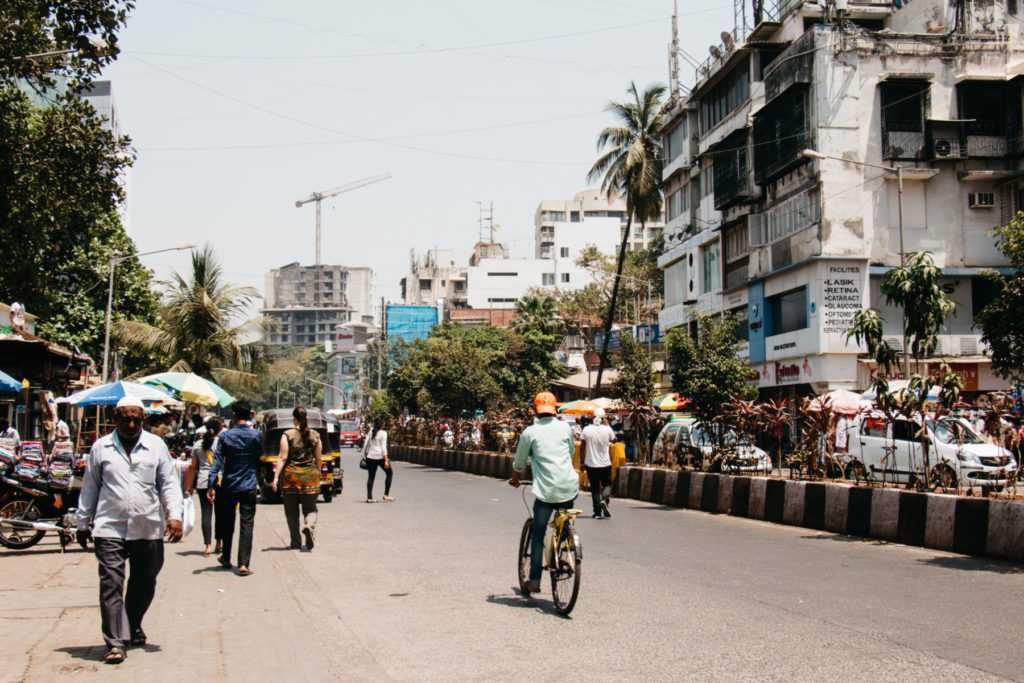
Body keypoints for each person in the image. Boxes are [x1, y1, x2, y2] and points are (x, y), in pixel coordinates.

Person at [75, 397, 183, 665]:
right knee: (111, 584)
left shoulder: (156, 446)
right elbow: (90, 487)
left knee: (145, 581)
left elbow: (168, 484)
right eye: (126, 418)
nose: (131, 424)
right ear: (115, 418)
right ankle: (115, 642)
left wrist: (175, 516)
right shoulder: (101, 448)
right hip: (109, 526)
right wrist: (81, 522)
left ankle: (132, 623)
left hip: (147, 526)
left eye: (136, 419)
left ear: (143, 419)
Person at [509, 392, 580, 596]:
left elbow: (520, 463)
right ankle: (565, 545)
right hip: (569, 487)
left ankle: (535, 580)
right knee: (564, 523)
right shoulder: (565, 428)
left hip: (546, 491)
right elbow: (570, 453)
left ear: (535, 410)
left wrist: (515, 479)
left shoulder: (529, 433)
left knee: (538, 534)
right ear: (555, 409)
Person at [207, 401, 261, 576]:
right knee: (247, 523)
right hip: (249, 485)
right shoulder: (256, 436)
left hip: (229, 485)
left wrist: (211, 483)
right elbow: (261, 458)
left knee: (227, 523)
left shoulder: (225, 437)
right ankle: (244, 564)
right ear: (249, 416)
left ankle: (226, 557)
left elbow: (216, 462)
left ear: (235, 416)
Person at [272, 406, 322, 550]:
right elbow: (319, 458)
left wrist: (275, 478)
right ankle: (309, 526)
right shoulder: (315, 435)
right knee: (311, 509)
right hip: (310, 477)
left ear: (294, 418)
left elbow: (282, 457)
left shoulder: (287, 435)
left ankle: (295, 542)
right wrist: (317, 473)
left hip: (291, 478)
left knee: (291, 512)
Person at [191, 417, 222, 556]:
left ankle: (207, 545)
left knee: (206, 514)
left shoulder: (197, 444)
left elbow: (193, 467)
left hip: (203, 482)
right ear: (219, 429)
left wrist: (190, 486)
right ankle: (219, 543)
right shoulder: (222, 443)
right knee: (220, 514)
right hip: (219, 481)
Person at [582, 408, 616, 519]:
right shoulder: (607, 429)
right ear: (603, 418)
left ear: (592, 417)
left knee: (595, 488)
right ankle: (604, 501)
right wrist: (607, 425)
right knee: (607, 484)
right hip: (605, 463)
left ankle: (597, 512)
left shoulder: (586, 429)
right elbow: (614, 439)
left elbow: (582, 447)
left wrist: (582, 461)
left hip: (591, 464)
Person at [362, 418, 393, 503]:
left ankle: (369, 498)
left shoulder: (371, 431)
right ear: (382, 425)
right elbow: (383, 447)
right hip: (380, 457)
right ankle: (386, 495)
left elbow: (365, 443)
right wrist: (386, 459)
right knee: (389, 473)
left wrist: (364, 455)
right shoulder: (383, 433)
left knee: (371, 477)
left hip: (370, 457)